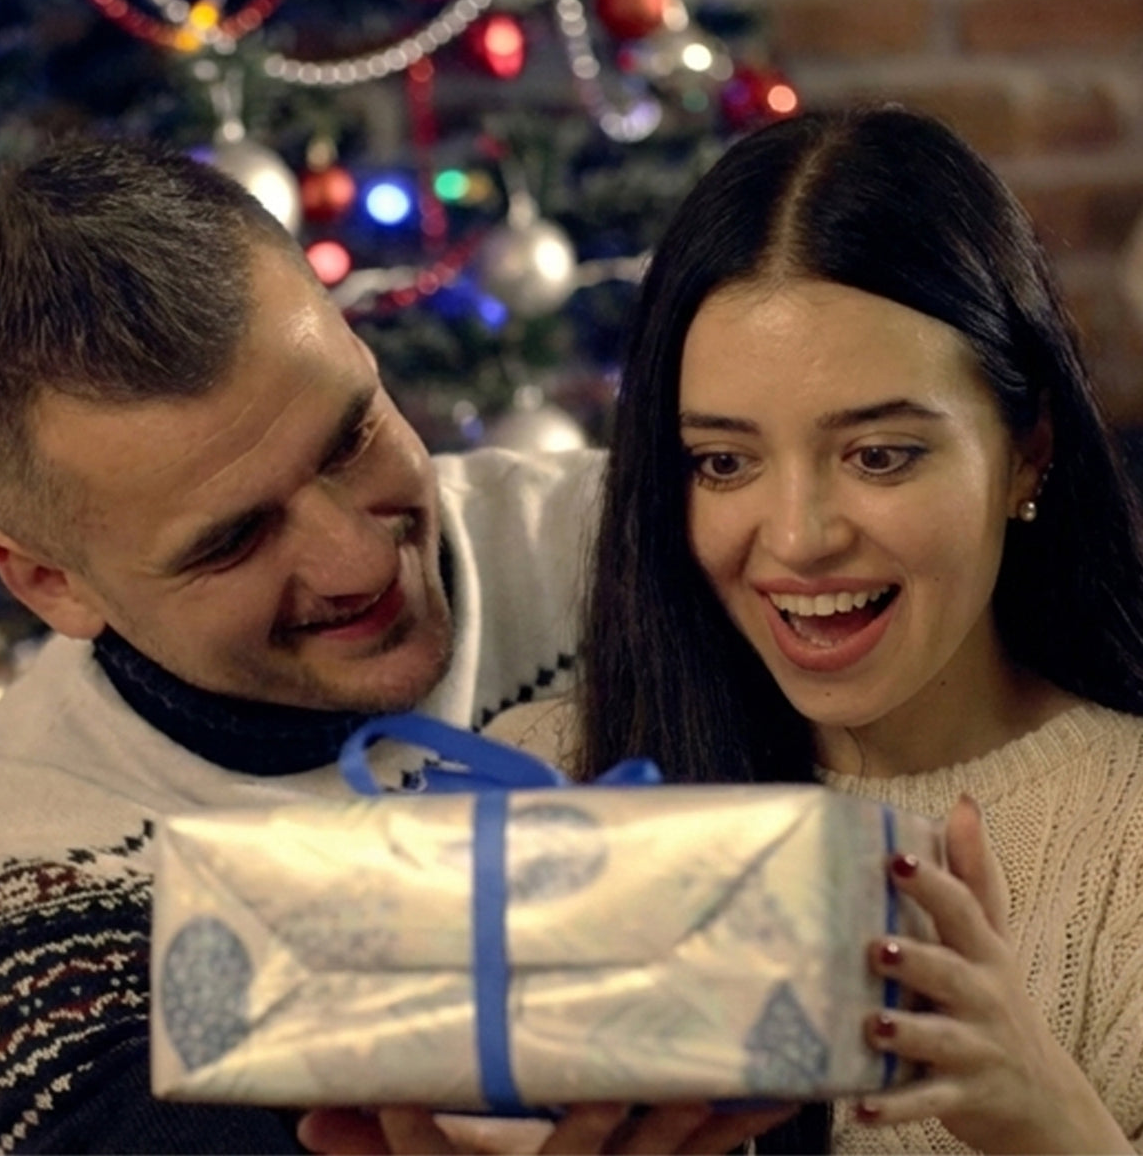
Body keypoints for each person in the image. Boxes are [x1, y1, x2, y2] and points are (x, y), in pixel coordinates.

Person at [0, 139, 673, 1156]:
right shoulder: (14, 879)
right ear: (50, 584)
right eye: (233, 540)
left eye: (350, 437)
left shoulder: (642, 550)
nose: (355, 559)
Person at [485, 105, 1143, 1154]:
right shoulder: (533, 791)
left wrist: (1047, 1117)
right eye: (724, 462)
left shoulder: (1127, 840)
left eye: (879, 454)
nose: (795, 539)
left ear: (1026, 454)